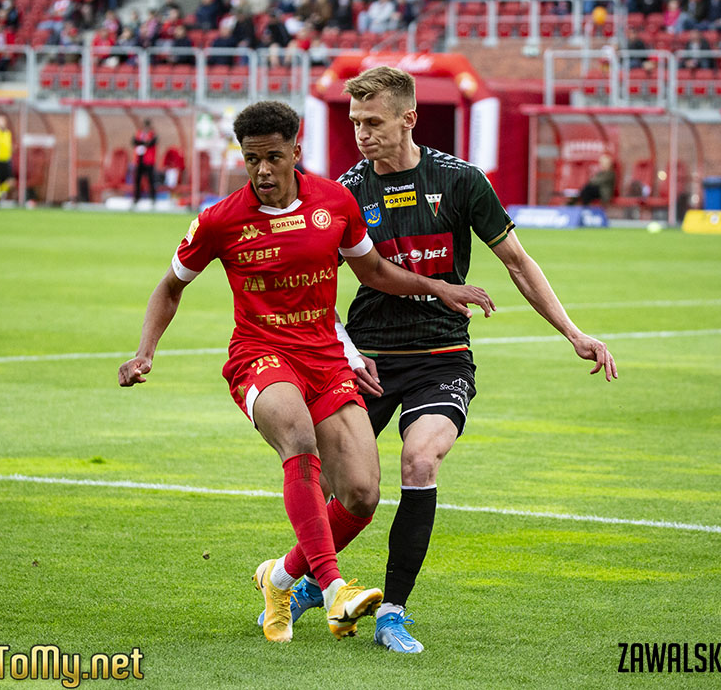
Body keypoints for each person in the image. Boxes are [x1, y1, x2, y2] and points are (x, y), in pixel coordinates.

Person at [265, 66, 617, 654]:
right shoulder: (344, 194)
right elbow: (312, 290)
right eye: (355, 123)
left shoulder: (460, 181)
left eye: (373, 122)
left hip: (442, 357)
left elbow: (518, 262)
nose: (362, 134)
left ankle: (391, 613)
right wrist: (344, 350)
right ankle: (294, 581)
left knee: (420, 460)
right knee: (348, 491)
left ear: (409, 118)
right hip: (368, 359)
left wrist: (573, 333)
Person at [117, 100, 495, 645]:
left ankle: (279, 578)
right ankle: (335, 590)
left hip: (324, 357)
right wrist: (145, 351)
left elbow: (373, 271)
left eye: (273, 157)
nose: (262, 171)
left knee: (361, 494)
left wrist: (436, 286)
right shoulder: (220, 220)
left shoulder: (335, 202)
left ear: (296, 150)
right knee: (298, 437)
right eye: (251, 159)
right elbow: (170, 287)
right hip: (259, 355)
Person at [133, 119, 158, 205]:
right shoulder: (139, 134)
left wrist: (142, 143)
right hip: (140, 160)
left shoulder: (152, 134)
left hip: (149, 161)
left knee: (151, 180)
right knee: (137, 180)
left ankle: (153, 198)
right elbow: (134, 141)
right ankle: (136, 198)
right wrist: (143, 143)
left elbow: (151, 143)